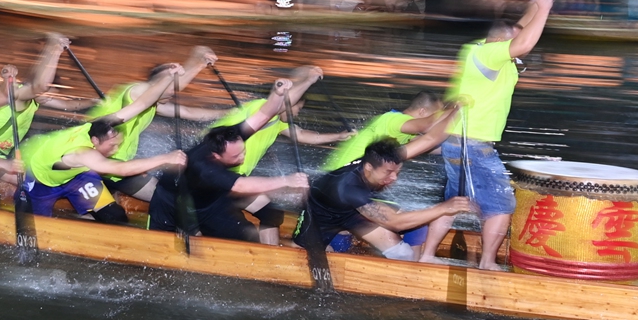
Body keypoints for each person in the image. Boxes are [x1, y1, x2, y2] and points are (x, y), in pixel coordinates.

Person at [419, 0, 555, 270]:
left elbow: (518, 30)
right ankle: (487, 264)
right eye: (511, 46)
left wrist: (535, 3)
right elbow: (524, 43)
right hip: (474, 145)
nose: (517, 54)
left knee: (452, 200)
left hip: (458, 140)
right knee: (501, 206)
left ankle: (428, 255)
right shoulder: (491, 55)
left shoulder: (477, 48)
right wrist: (545, 10)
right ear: (501, 44)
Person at [206, 66, 354, 243]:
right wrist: (309, 80)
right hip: (214, 177)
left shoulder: (276, 122)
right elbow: (284, 101)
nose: (297, 113)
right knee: (241, 229)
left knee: (271, 214)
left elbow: (301, 134)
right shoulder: (261, 108)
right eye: (298, 108)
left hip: (234, 179)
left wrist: (339, 136)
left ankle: (272, 256)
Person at [148, 79, 308, 243]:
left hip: (210, 201)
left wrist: (277, 94)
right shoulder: (206, 168)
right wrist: (286, 180)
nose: (242, 157)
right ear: (216, 156)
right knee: (159, 244)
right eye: (236, 156)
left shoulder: (230, 137)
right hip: (170, 203)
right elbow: (241, 185)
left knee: (247, 237)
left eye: (242, 151)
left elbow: (263, 115)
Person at [21, 91, 188, 224]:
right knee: (38, 225)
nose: (115, 150)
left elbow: (140, 104)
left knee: (115, 217)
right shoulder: (84, 153)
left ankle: (85, 220)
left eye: (117, 145)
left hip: (78, 177)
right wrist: (165, 158)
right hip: (40, 182)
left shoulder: (96, 125)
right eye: (111, 145)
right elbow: (120, 169)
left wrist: (168, 77)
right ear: (94, 141)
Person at [85, 47, 226, 201]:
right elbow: (160, 86)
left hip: (117, 162)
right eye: (169, 86)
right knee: (164, 198)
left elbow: (189, 112)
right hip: (101, 161)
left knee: (111, 211)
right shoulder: (136, 91)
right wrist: (195, 58)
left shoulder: (154, 103)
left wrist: (231, 114)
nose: (173, 92)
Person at [296, 139, 475, 260]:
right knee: (306, 255)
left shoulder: (380, 161)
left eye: (397, 172)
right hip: (319, 217)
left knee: (403, 254)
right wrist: (444, 207)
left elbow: (429, 138)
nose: (394, 178)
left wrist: (454, 112)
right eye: (389, 173)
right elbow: (395, 223)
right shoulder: (350, 188)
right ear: (368, 168)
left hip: (351, 212)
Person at [324, 91, 457, 172]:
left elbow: (431, 144)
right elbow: (428, 126)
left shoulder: (405, 132)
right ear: (422, 112)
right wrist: (456, 109)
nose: (441, 120)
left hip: (351, 176)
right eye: (438, 115)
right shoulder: (393, 120)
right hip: (342, 176)